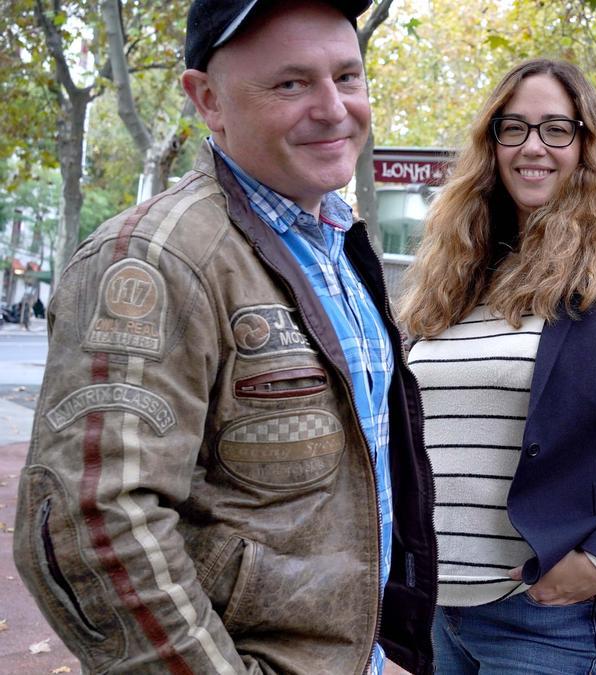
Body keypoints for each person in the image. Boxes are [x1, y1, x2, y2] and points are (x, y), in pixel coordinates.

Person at [13, 2, 438, 673]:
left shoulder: (337, 241)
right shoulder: (153, 257)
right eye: (291, 84)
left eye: (347, 76)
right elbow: (91, 524)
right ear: (206, 99)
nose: (334, 109)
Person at [396, 58, 596, 674]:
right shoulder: (456, 267)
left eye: (555, 129)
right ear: (490, 144)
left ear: (586, 142)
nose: (532, 147)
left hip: (554, 620)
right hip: (440, 613)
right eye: (512, 128)